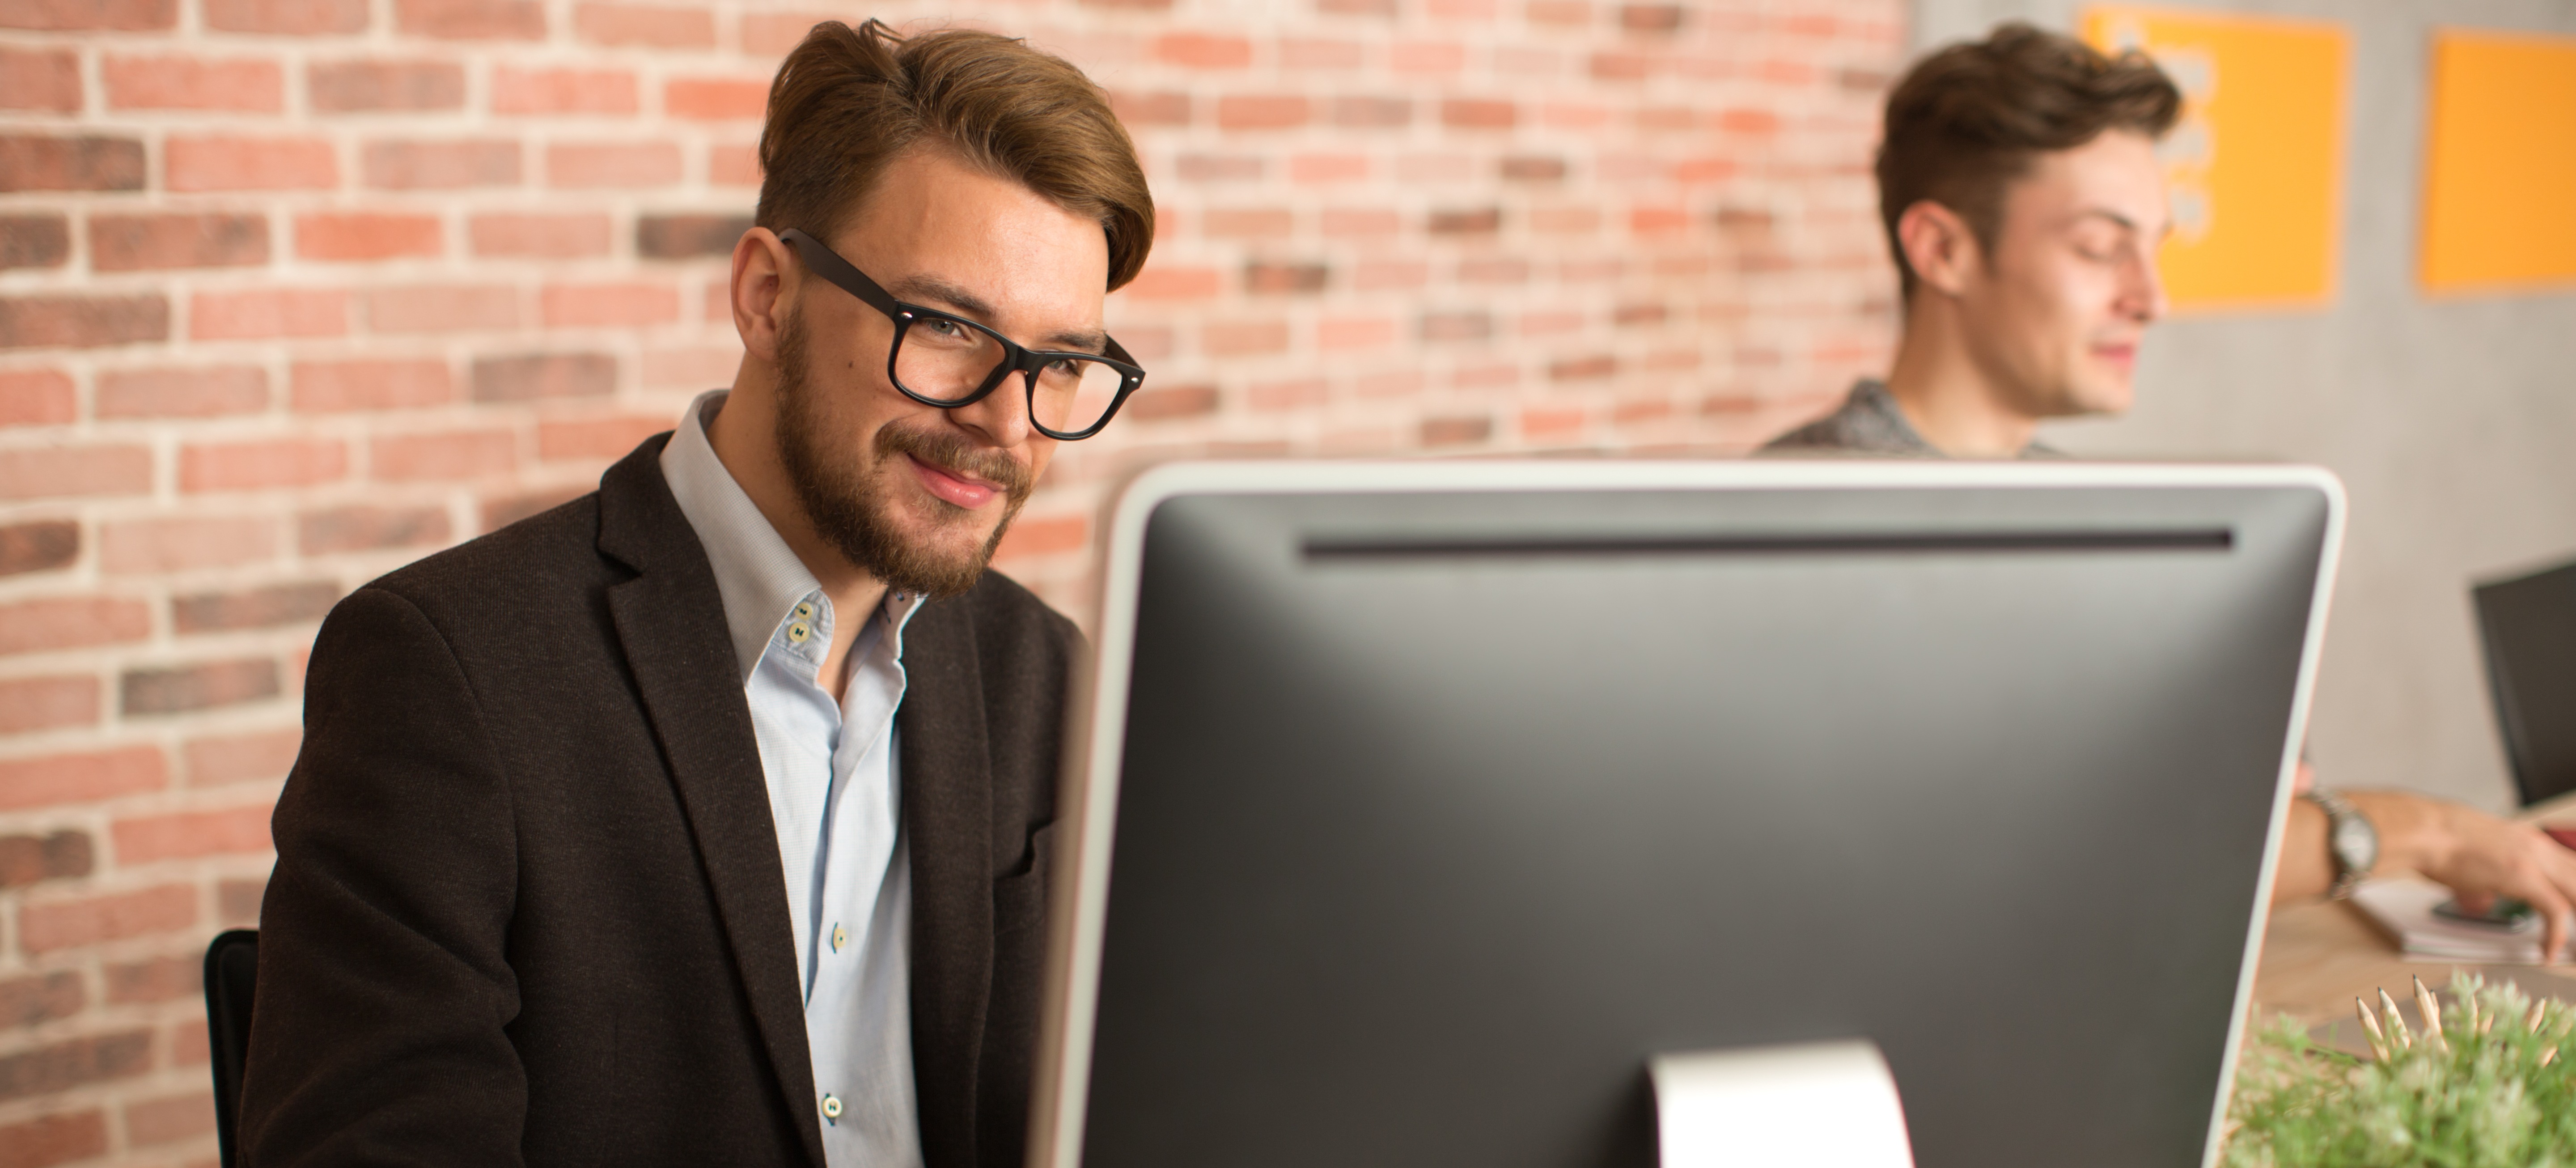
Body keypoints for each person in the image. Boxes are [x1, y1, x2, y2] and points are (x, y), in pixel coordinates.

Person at [239, 21, 1152, 1166]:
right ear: (768, 297)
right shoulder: (445, 672)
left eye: (1060, 363)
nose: (1008, 423)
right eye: (950, 329)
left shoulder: (1051, 677)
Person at [1763, 23, 2576, 956]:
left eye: (2155, 248)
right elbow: (2047, 864)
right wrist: (2418, 831)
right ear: (1941, 249)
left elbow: (2226, 819)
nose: (2152, 297)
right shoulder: (1808, 527)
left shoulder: (2098, 519)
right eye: (2101, 248)